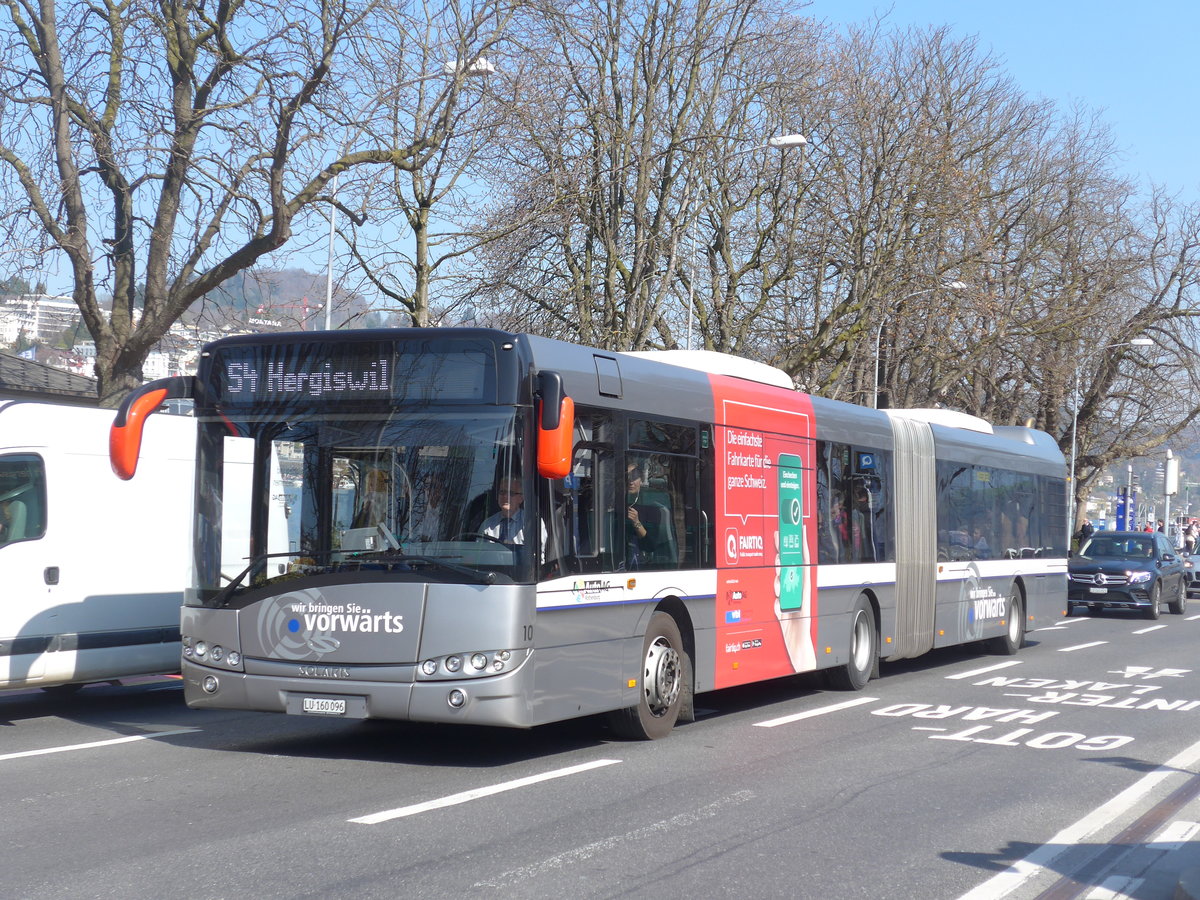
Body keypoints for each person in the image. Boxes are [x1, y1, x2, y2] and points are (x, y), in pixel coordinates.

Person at [479, 477, 530, 544]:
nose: (505, 496)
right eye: (502, 492)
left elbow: (539, 552)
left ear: (521, 498)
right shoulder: (487, 525)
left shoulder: (532, 523)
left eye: (511, 493)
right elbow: (478, 552)